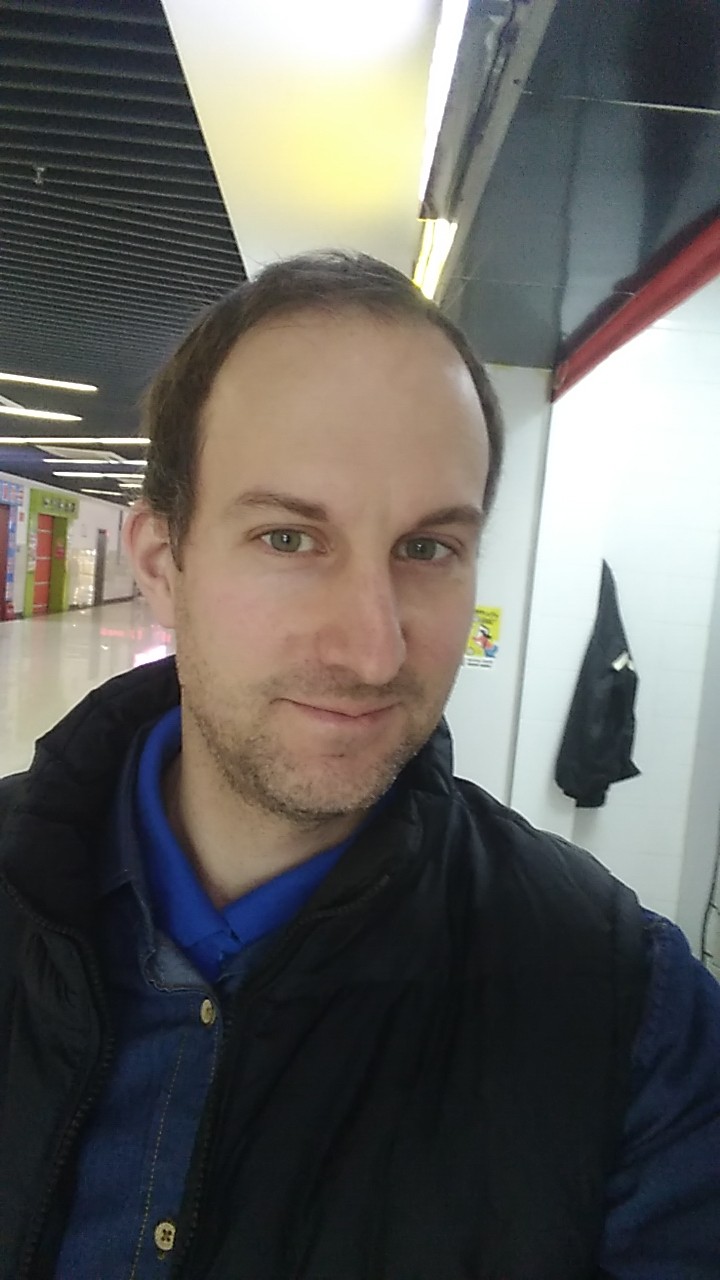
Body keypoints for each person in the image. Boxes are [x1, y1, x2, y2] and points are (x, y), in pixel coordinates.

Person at [0, 251, 717, 1280]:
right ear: (162, 562)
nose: (374, 652)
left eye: (427, 549)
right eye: (289, 538)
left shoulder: (626, 1008)